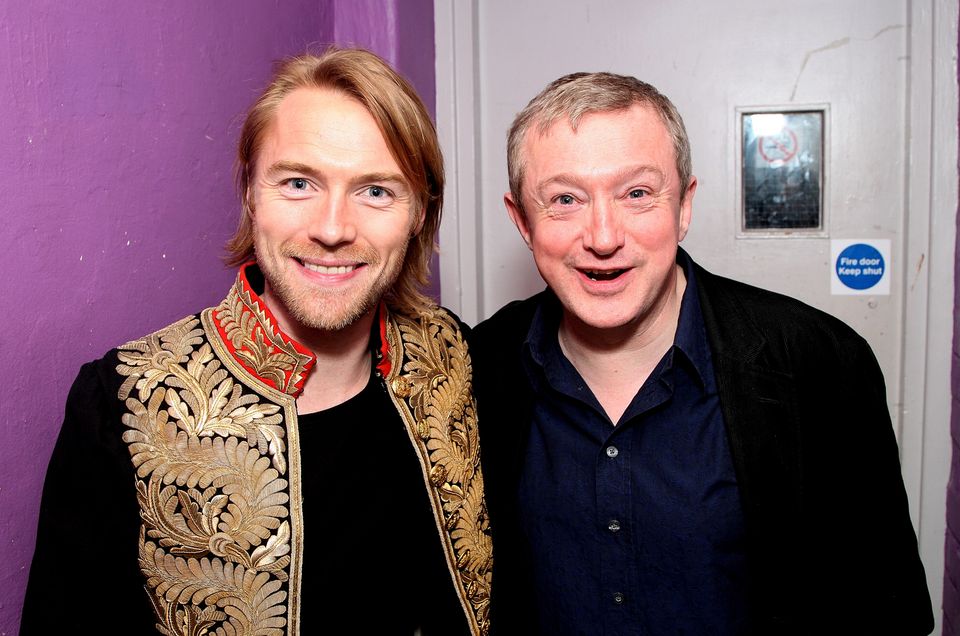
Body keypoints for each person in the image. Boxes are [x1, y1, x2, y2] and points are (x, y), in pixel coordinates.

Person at [21, 48, 491, 636]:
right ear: (250, 192)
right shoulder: (125, 404)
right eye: (298, 182)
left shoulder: (453, 356)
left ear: (420, 213)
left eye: (376, 191)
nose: (332, 229)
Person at [473, 71, 933, 635]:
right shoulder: (479, 366)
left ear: (684, 206)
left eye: (637, 194)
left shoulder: (817, 363)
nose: (602, 236)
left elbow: (887, 609)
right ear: (522, 220)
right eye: (564, 199)